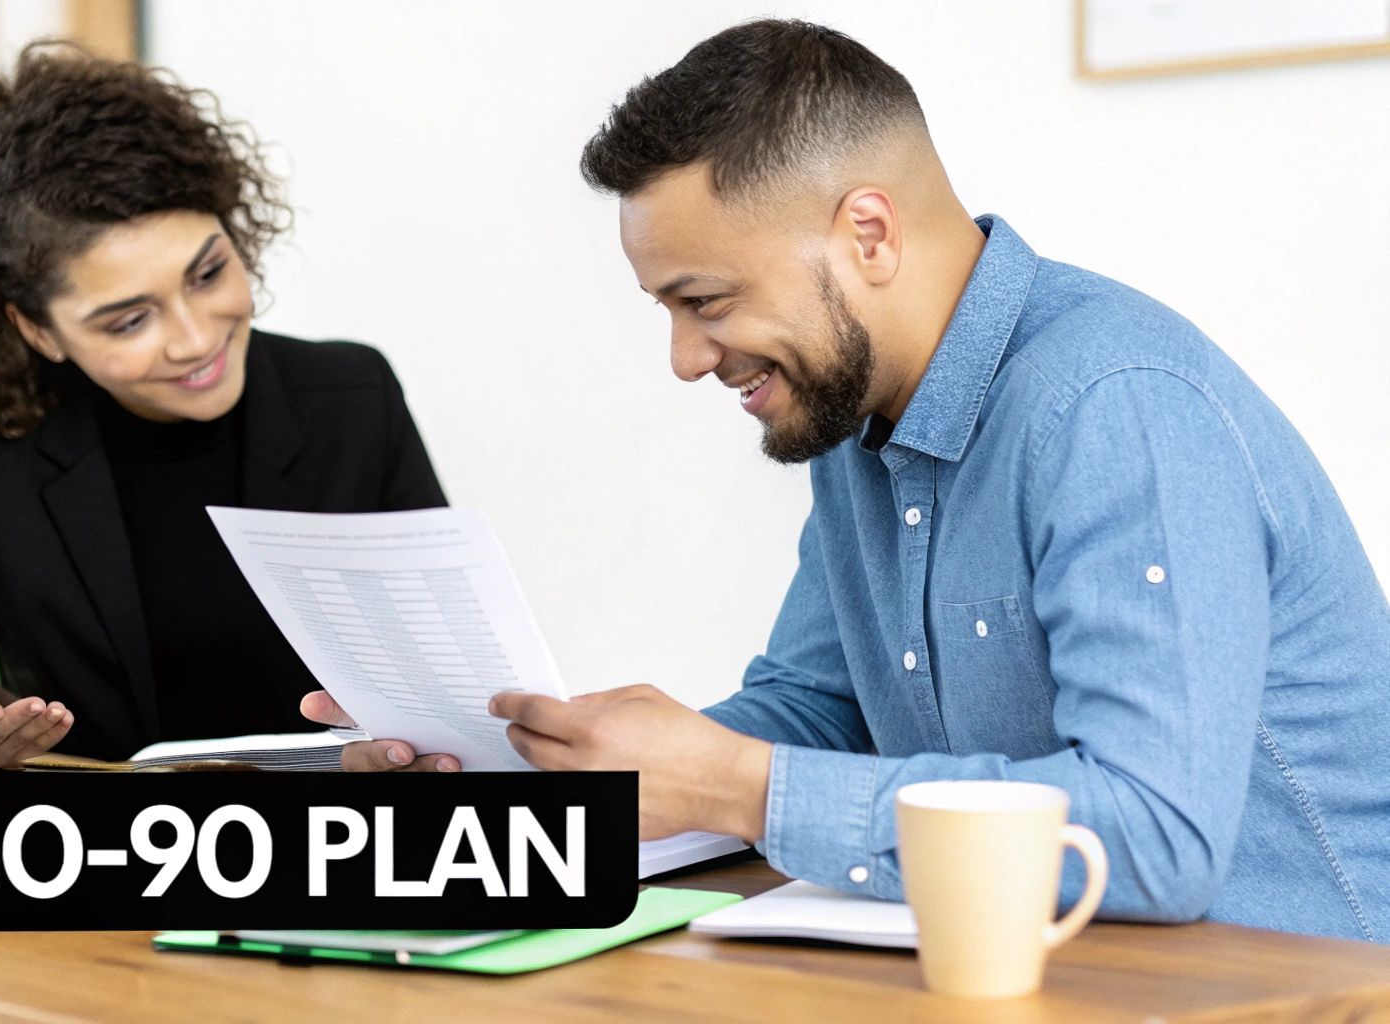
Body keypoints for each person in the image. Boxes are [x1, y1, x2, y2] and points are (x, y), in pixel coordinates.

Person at [305, 19, 1390, 940]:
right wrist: (555, 777)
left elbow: (1157, 838)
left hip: (1285, 984)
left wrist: (731, 783)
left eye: (707, 300)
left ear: (865, 232)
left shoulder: (1113, 406)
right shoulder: (857, 420)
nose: (685, 357)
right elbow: (815, 711)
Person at [0, 45, 445, 768]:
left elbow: (444, 687)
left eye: (208, 273)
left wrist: (402, 755)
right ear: (36, 329)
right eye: (127, 321)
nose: (194, 338)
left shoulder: (353, 402)